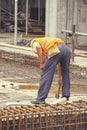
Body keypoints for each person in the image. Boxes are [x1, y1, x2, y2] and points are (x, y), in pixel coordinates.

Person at [29, 37, 71, 104]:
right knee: (65, 72)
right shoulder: (49, 41)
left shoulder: (34, 42)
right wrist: (60, 77)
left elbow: (38, 47)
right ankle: (66, 96)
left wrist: (41, 63)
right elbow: (59, 64)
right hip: (66, 49)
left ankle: (40, 98)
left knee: (47, 73)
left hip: (55, 49)